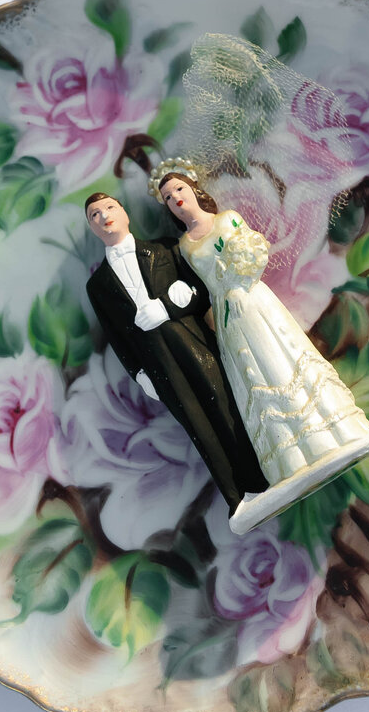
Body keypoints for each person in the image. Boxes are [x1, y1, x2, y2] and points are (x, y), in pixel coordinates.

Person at [153, 160, 369, 535]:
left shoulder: (226, 220)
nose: (175, 199)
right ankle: (290, 458)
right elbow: (205, 287)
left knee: (280, 356)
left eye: (178, 189)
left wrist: (239, 272)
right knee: (253, 373)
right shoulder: (185, 246)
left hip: (253, 301)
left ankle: (331, 435)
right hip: (228, 316)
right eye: (167, 197)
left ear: (193, 187)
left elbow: (253, 253)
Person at [83, 191, 266, 520]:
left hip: (192, 341)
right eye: (94, 215)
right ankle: (236, 498)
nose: (103, 216)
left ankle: (260, 481)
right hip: (156, 362)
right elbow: (115, 336)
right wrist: (139, 373)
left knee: (224, 406)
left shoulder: (166, 248)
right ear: (92, 228)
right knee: (196, 425)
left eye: (109, 207)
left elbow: (201, 293)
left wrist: (169, 306)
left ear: (124, 213)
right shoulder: (97, 286)